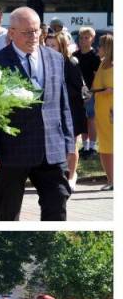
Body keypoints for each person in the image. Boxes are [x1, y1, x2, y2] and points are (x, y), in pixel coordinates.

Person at [0, 7, 76, 221]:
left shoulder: (55, 59)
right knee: (7, 213)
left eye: (36, 31)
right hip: (12, 151)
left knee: (57, 204)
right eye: (26, 32)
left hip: (51, 149)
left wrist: (69, 145)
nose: (33, 36)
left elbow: (63, 104)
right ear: (11, 33)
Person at [50, 32, 88, 189]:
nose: (48, 48)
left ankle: (72, 176)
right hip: (54, 111)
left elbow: (80, 88)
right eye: (47, 45)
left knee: (71, 144)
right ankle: (61, 175)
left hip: (72, 110)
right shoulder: (46, 62)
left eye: (52, 45)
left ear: (61, 46)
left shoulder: (70, 62)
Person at [73, 27, 101, 158]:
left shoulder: (95, 57)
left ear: (92, 39)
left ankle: (93, 147)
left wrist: (90, 93)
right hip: (77, 93)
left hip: (91, 93)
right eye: (81, 37)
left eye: (86, 38)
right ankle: (85, 146)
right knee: (83, 120)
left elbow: (98, 77)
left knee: (91, 120)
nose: (83, 40)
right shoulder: (75, 56)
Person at [92, 34, 113, 190]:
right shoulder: (102, 63)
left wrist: (111, 90)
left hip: (112, 110)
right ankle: (111, 179)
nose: (97, 48)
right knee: (104, 145)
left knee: (113, 144)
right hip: (101, 109)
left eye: (100, 45)